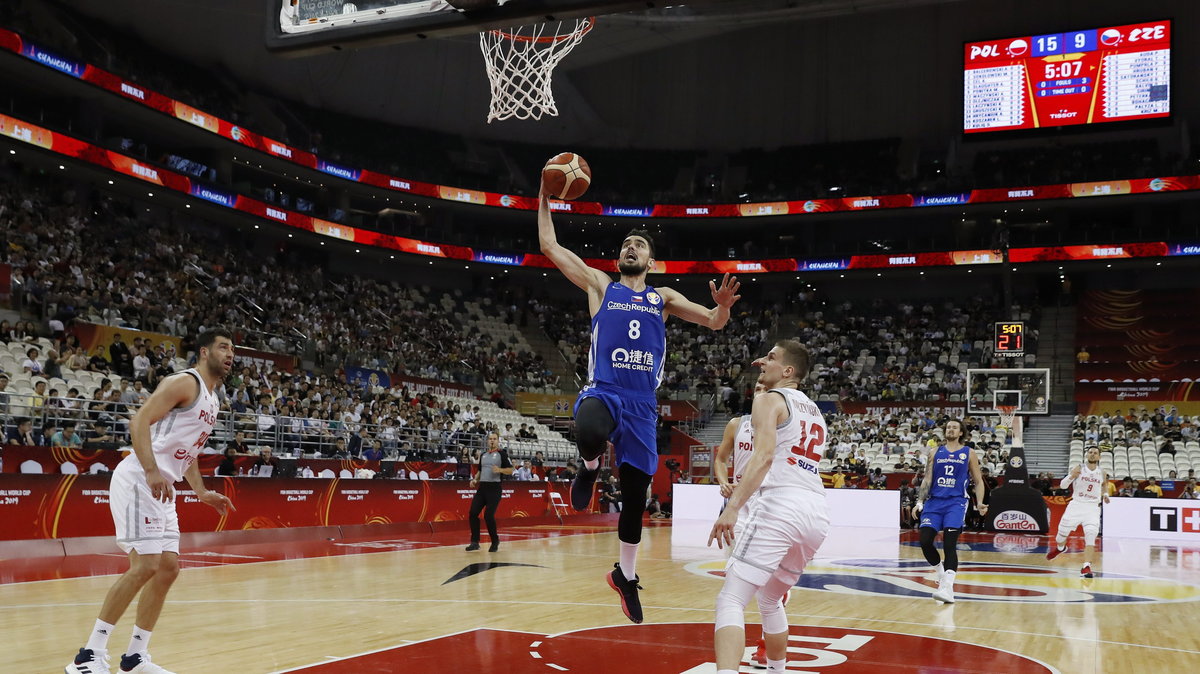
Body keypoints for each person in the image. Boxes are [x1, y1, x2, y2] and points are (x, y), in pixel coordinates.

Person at [538, 180, 741, 624]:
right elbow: (549, 244)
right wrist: (543, 196)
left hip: (643, 404)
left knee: (635, 495)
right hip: (605, 390)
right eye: (626, 244)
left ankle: (625, 576)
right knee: (589, 430)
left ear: (652, 261)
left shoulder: (662, 298)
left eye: (639, 245)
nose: (631, 248)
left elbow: (713, 322)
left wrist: (722, 306)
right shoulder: (600, 286)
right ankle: (589, 466)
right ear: (619, 258)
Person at [65, 329, 236, 674]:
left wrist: (201, 492)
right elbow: (138, 420)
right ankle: (88, 656)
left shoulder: (214, 399)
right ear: (204, 352)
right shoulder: (185, 383)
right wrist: (151, 469)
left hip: (163, 485)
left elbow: (186, 453)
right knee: (144, 565)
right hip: (140, 478)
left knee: (168, 568)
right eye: (223, 347)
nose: (230, 353)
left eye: (233, 349)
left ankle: (135, 658)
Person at [708, 341, 829, 674]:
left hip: (780, 505)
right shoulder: (814, 410)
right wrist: (771, 363)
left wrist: (732, 507)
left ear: (788, 371)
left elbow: (763, 458)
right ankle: (778, 670)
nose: (763, 362)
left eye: (771, 359)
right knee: (770, 599)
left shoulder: (767, 400)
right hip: (816, 512)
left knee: (730, 599)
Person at [913, 419, 987, 603]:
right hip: (934, 503)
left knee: (949, 544)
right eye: (948, 427)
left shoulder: (968, 453)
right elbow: (927, 479)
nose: (950, 429)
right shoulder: (934, 452)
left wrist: (980, 503)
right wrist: (919, 501)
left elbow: (978, 481)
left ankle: (947, 588)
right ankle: (941, 574)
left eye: (954, 427)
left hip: (956, 503)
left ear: (961, 432)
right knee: (925, 541)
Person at [1046, 445, 1109, 578]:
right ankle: (1061, 548)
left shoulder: (1102, 472)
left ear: (1099, 457)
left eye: (1095, 453)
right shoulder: (1079, 468)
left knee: (1091, 536)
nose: (1092, 454)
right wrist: (1070, 477)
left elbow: (1104, 486)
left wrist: (1106, 495)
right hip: (1076, 506)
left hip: (1092, 508)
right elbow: (1063, 486)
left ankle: (1086, 566)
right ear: (1087, 455)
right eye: (1090, 452)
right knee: (1060, 536)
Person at [466, 431, 513, 552]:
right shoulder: (483, 455)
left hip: (494, 489)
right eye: (490, 439)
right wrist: (475, 480)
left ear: (498, 441)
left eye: (494, 439)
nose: (492, 440)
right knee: (473, 513)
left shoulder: (502, 454)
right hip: (482, 488)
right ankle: (475, 542)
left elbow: (511, 470)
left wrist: (500, 470)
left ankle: (495, 540)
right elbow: (480, 471)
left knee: (488, 516)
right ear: (487, 441)